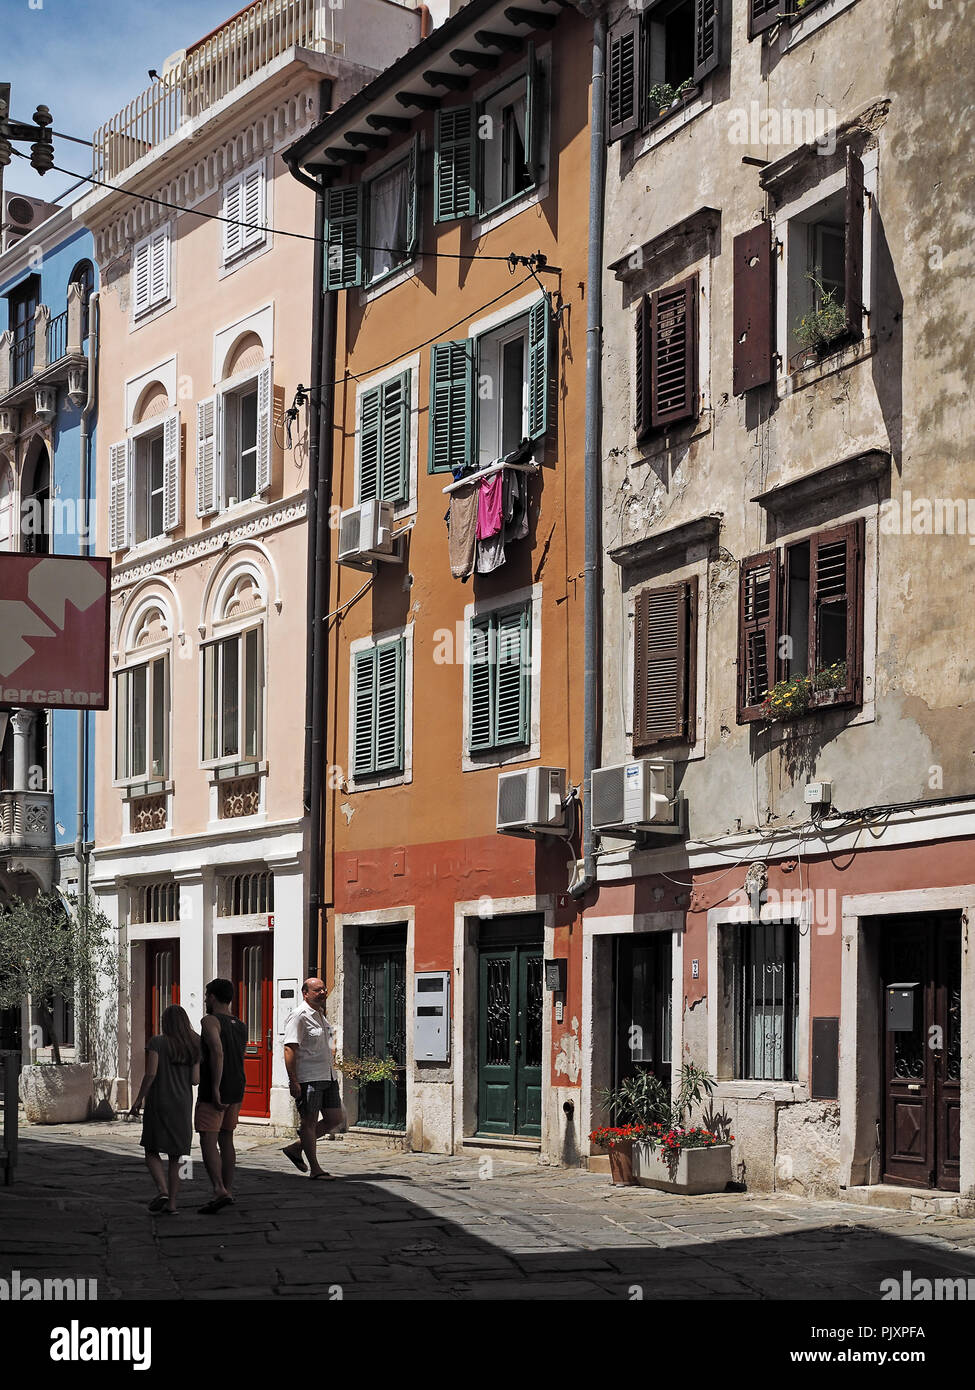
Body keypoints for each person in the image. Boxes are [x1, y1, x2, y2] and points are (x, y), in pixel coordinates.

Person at [129, 1005, 201, 1215]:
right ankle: (172, 1204)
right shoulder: (195, 1043)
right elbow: (195, 1080)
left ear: (165, 1022)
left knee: (151, 1148)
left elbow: (150, 1074)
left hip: (159, 1101)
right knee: (177, 1154)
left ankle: (162, 1190)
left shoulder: (157, 1042)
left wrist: (138, 1101)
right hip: (183, 1103)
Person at [195, 978, 248, 1214]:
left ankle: (218, 1189)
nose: (206, 999)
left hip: (215, 1088)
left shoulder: (210, 1021)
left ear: (213, 997)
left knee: (208, 1138)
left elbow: (217, 1051)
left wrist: (215, 1087)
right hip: (237, 1086)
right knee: (227, 1139)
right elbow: (240, 1055)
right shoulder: (241, 1024)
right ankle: (228, 1189)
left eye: (207, 995)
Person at [282, 977, 343, 1180]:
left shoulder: (320, 1015)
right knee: (308, 1122)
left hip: (327, 1075)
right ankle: (316, 1169)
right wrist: (293, 1080)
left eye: (324, 989)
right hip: (308, 1077)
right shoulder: (299, 1016)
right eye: (317, 990)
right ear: (305, 993)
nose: (323, 992)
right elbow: (290, 1048)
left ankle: (296, 1147)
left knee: (335, 1118)